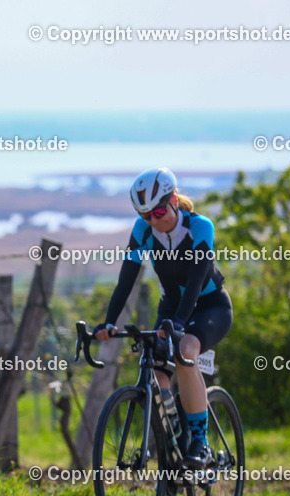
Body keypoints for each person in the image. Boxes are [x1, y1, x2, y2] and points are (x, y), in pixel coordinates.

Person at [94, 168, 233, 469]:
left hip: (209, 306)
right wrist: (109, 322)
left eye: (158, 211)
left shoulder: (199, 227)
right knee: (155, 371)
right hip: (171, 307)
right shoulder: (143, 231)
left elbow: (196, 282)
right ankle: (175, 437)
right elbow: (126, 280)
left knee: (185, 352)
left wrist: (181, 325)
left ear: (173, 200)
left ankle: (200, 443)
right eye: (147, 216)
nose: (154, 220)